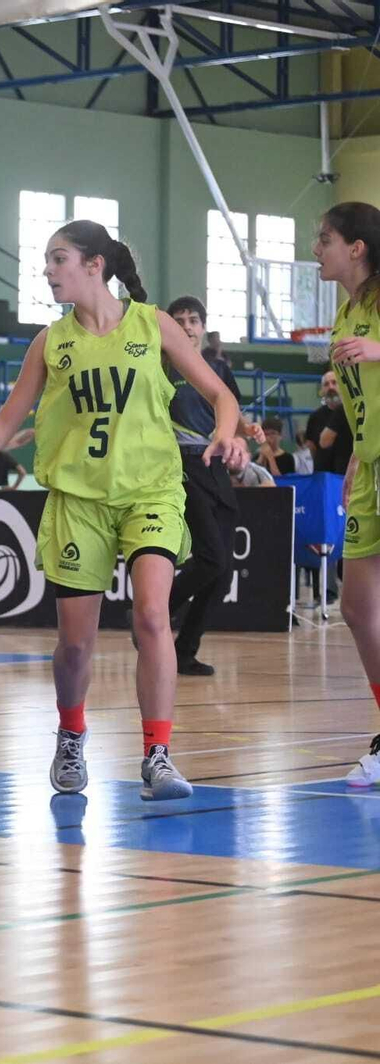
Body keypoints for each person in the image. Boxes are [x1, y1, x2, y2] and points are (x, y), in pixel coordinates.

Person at [0, 221, 247, 804]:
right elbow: (4, 425)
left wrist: (227, 433)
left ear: (94, 265)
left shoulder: (152, 324)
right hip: (79, 499)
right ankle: (71, 734)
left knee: (152, 617)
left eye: (58, 258)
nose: (48, 270)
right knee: (76, 644)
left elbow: (220, 395)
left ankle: (158, 755)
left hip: (151, 491)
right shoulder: (50, 343)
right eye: (47, 260)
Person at [160, 295, 264, 677]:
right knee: (211, 558)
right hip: (179, 465)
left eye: (193, 320)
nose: (187, 327)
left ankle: (185, 651)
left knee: (220, 573)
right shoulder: (159, 365)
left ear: (203, 327)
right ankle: (150, 614)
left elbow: (230, 412)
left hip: (215, 466)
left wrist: (246, 430)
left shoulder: (217, 368)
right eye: (179, 320)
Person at [314, 201, 380, 789]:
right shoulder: (345, 312)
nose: (317, 249)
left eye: (325, 238)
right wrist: (360, 448)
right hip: (371, 464)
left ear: (356, 247)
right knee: (357, 608)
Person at [305, 370, 353, 474]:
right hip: (323, 474)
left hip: (346, 472)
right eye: (326, 384)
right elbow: (311, 446)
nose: (331, 387)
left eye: (334, 382)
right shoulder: (315, 417)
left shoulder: (352, 413)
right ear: (322, 390)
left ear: (342, 386)